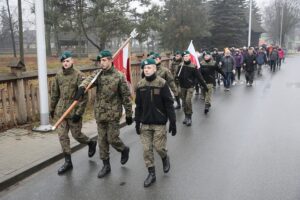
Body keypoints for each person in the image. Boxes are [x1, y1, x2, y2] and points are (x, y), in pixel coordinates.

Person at [75, 50, 133, 178]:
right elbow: (89, 80)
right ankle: (106, 165)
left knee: (112, 139)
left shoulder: (119, 76)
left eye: (104, 60)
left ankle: (124, 149)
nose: (102, 63)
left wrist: (129, 113)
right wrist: (82, 87)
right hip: (100, 113)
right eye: (100, 60)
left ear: (111, 60)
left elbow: (125, 97)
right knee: (101, 140)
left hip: (113, 114)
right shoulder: (98, 74)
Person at [50, 51, 97, 175]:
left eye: (68, 61)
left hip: (73, 110)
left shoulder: (79, 75)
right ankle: (68, 162)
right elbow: (55, 93)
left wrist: (79, 113)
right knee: (62, 136)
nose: (65, 63)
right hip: (61, 111)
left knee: (76, 135)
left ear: (72, 61)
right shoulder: (58, 75)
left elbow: (84, 97)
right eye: (64, 61)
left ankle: (90, 142)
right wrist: (52, 108)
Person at [135, 58, 176, 188]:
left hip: (159, 122)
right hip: (145, 123)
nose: (146, 70)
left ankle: (164, 157)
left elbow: (169, 104)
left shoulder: (162, 83)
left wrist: (173, 122)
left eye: (149, 68)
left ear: (154, 69)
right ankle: (151, 174)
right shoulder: (140, 85)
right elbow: (138, 106)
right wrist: (137, 122)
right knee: (147, 150)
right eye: (144, 68)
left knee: (159, 148)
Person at [176, 50, 208, 126]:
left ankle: (189, 117)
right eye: (184, 56)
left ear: (189, 56)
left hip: (190, 86)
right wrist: (177, 78)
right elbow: (177, 75)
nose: (185, 57)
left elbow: (199, 77)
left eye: (186, 56)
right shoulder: (180, 65)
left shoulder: (193, 66)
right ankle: (186, 116)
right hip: (182, 86)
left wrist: (205, 86)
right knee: (184, 102)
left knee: (188, 101)